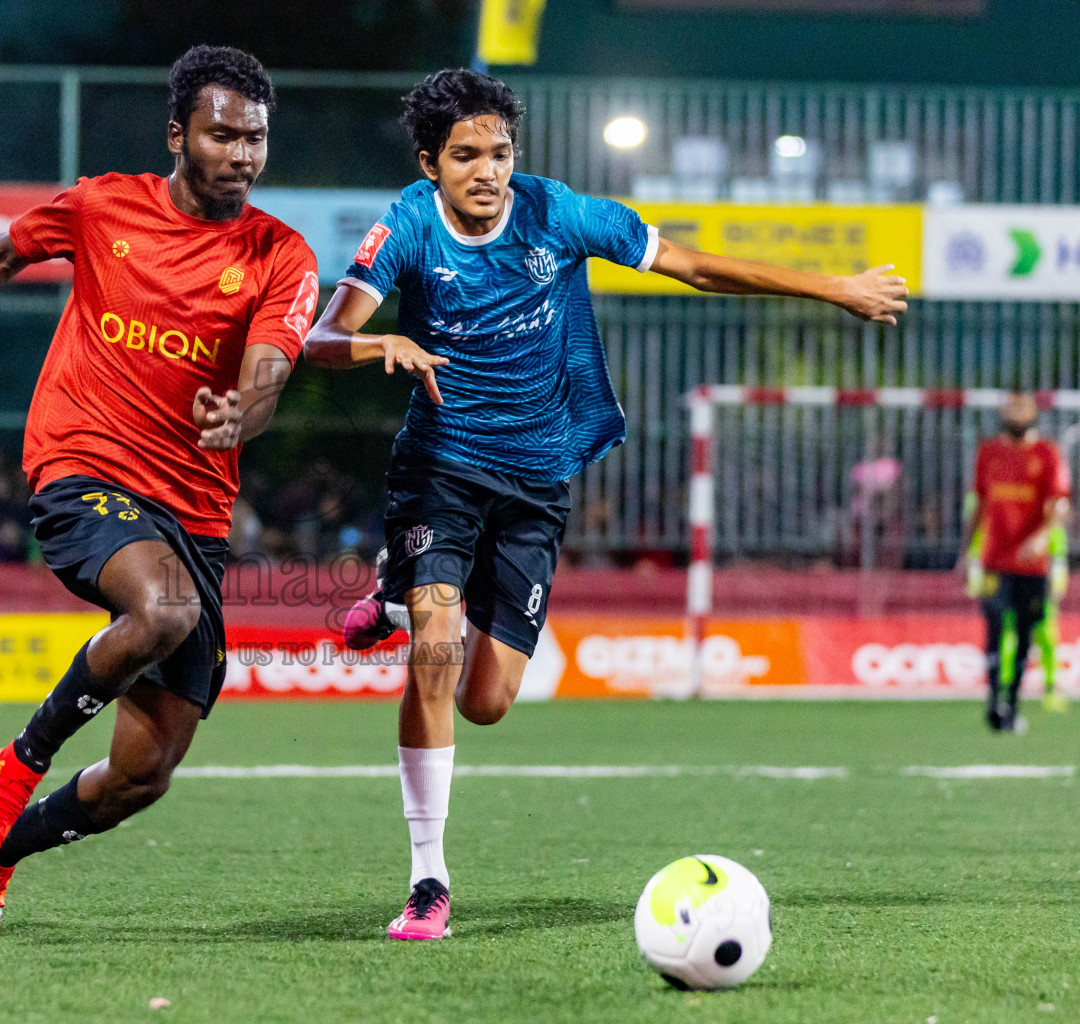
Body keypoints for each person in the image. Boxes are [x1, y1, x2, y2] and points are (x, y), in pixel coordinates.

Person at [304, 68, 908, 940]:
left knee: (487, 701)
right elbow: (323, 337)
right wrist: (376, 342)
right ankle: (428, 880)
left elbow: (695, 268)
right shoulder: (404, 223)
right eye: (466, 155)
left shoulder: (560, 215)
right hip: (439, 467)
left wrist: (836, 287)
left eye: (501, 152)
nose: (488, 170)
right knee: (434, 656)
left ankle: (395, 591)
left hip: (538, 480)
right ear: (430, 162)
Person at [0, 45, 316, 936]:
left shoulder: (280, 252)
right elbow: (0, 254)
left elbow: (273, 364)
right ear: (178, 134)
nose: (241, 155)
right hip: (82, 466)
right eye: (222, 135)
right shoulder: (104, 205)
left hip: (191, 511)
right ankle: (14, 768)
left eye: (256, 140)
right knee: (161, 611)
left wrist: (248, 407)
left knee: (140, 777)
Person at [959, 394, 1070, 732]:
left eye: (1022, 411)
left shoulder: (1047, 454)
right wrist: (965, 553)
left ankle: (1014, 702)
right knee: (994, 627)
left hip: (1033, 564)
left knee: (1026, 632)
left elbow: (1060, 502)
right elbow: (978, 503)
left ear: (1033, 416)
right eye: (1010, 411)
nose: (1016, 417)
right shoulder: (989, 452)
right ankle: (994, 702)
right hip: (994, 559)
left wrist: (1042, 536)